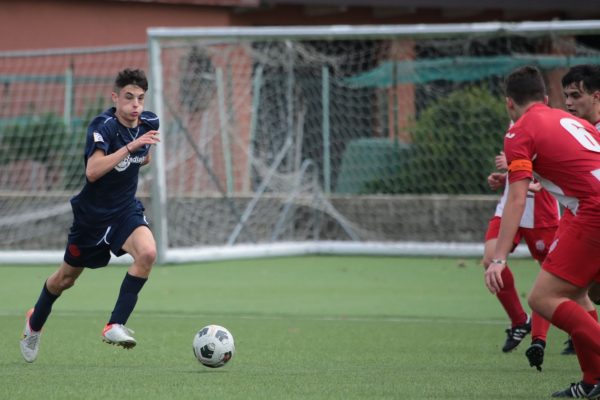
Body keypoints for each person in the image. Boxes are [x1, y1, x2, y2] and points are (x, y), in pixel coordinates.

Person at [19, 68, 161, 363]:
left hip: (125, 211)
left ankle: (114, 325)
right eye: (129, 97)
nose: (135, 105)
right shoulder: (103, 126)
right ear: (115, 98)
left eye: (141, 98)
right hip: (92, 219)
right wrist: (130, 147)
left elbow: (144, 156)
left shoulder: (149, 122)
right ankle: (35, 323)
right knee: (64, 280)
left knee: (147, 253)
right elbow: (93, 171)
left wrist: (138, 151)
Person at [485, 65, 600, 398]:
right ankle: (593, 381)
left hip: (592, 211)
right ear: (546, 98)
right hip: (588, 208)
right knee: (577, 295)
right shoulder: (572, 122)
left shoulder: (519, 132)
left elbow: (516, 199)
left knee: (542, 298)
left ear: (509, 104)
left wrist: (499, 259)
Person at [483, 149, 559, 371]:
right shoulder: (514, 121)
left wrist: (516, 164)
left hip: (541, 212)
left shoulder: (546, 118)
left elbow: (557, 163)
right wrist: (507, 176)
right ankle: (520, 321)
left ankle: (540, 340)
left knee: (555, 280)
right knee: (491, 259)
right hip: (508, 209)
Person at [559, 64, 600, 356]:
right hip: (587, 223)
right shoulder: (575, 132)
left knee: (561, 290)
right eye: (566, 96)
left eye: (576, 95)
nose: (569, 102)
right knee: (583, 291)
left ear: (597, 97)